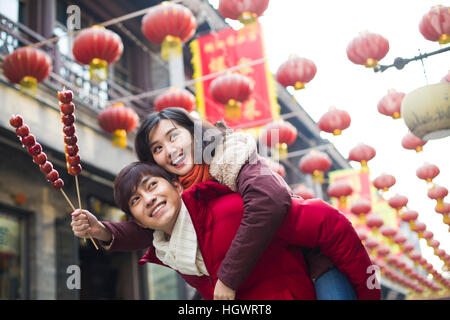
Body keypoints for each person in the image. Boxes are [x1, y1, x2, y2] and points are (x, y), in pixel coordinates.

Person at [86, 107, 354, 299]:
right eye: (157, 148)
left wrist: (227, 278)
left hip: (311, 263)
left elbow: (269, 201)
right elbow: (151, 225)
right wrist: (104, 231)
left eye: (173, 136)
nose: (169, 150)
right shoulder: (177, 191)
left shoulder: (232, 154)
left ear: (193, 133)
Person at [71, 162, 380, 299]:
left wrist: (368, 295)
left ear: (177, 186)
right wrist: (101, 230)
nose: (148, 199)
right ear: (136, 219)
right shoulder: (170, 250)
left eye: (152, 185)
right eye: (136, 200)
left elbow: (327, 222)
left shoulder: (232, 209)